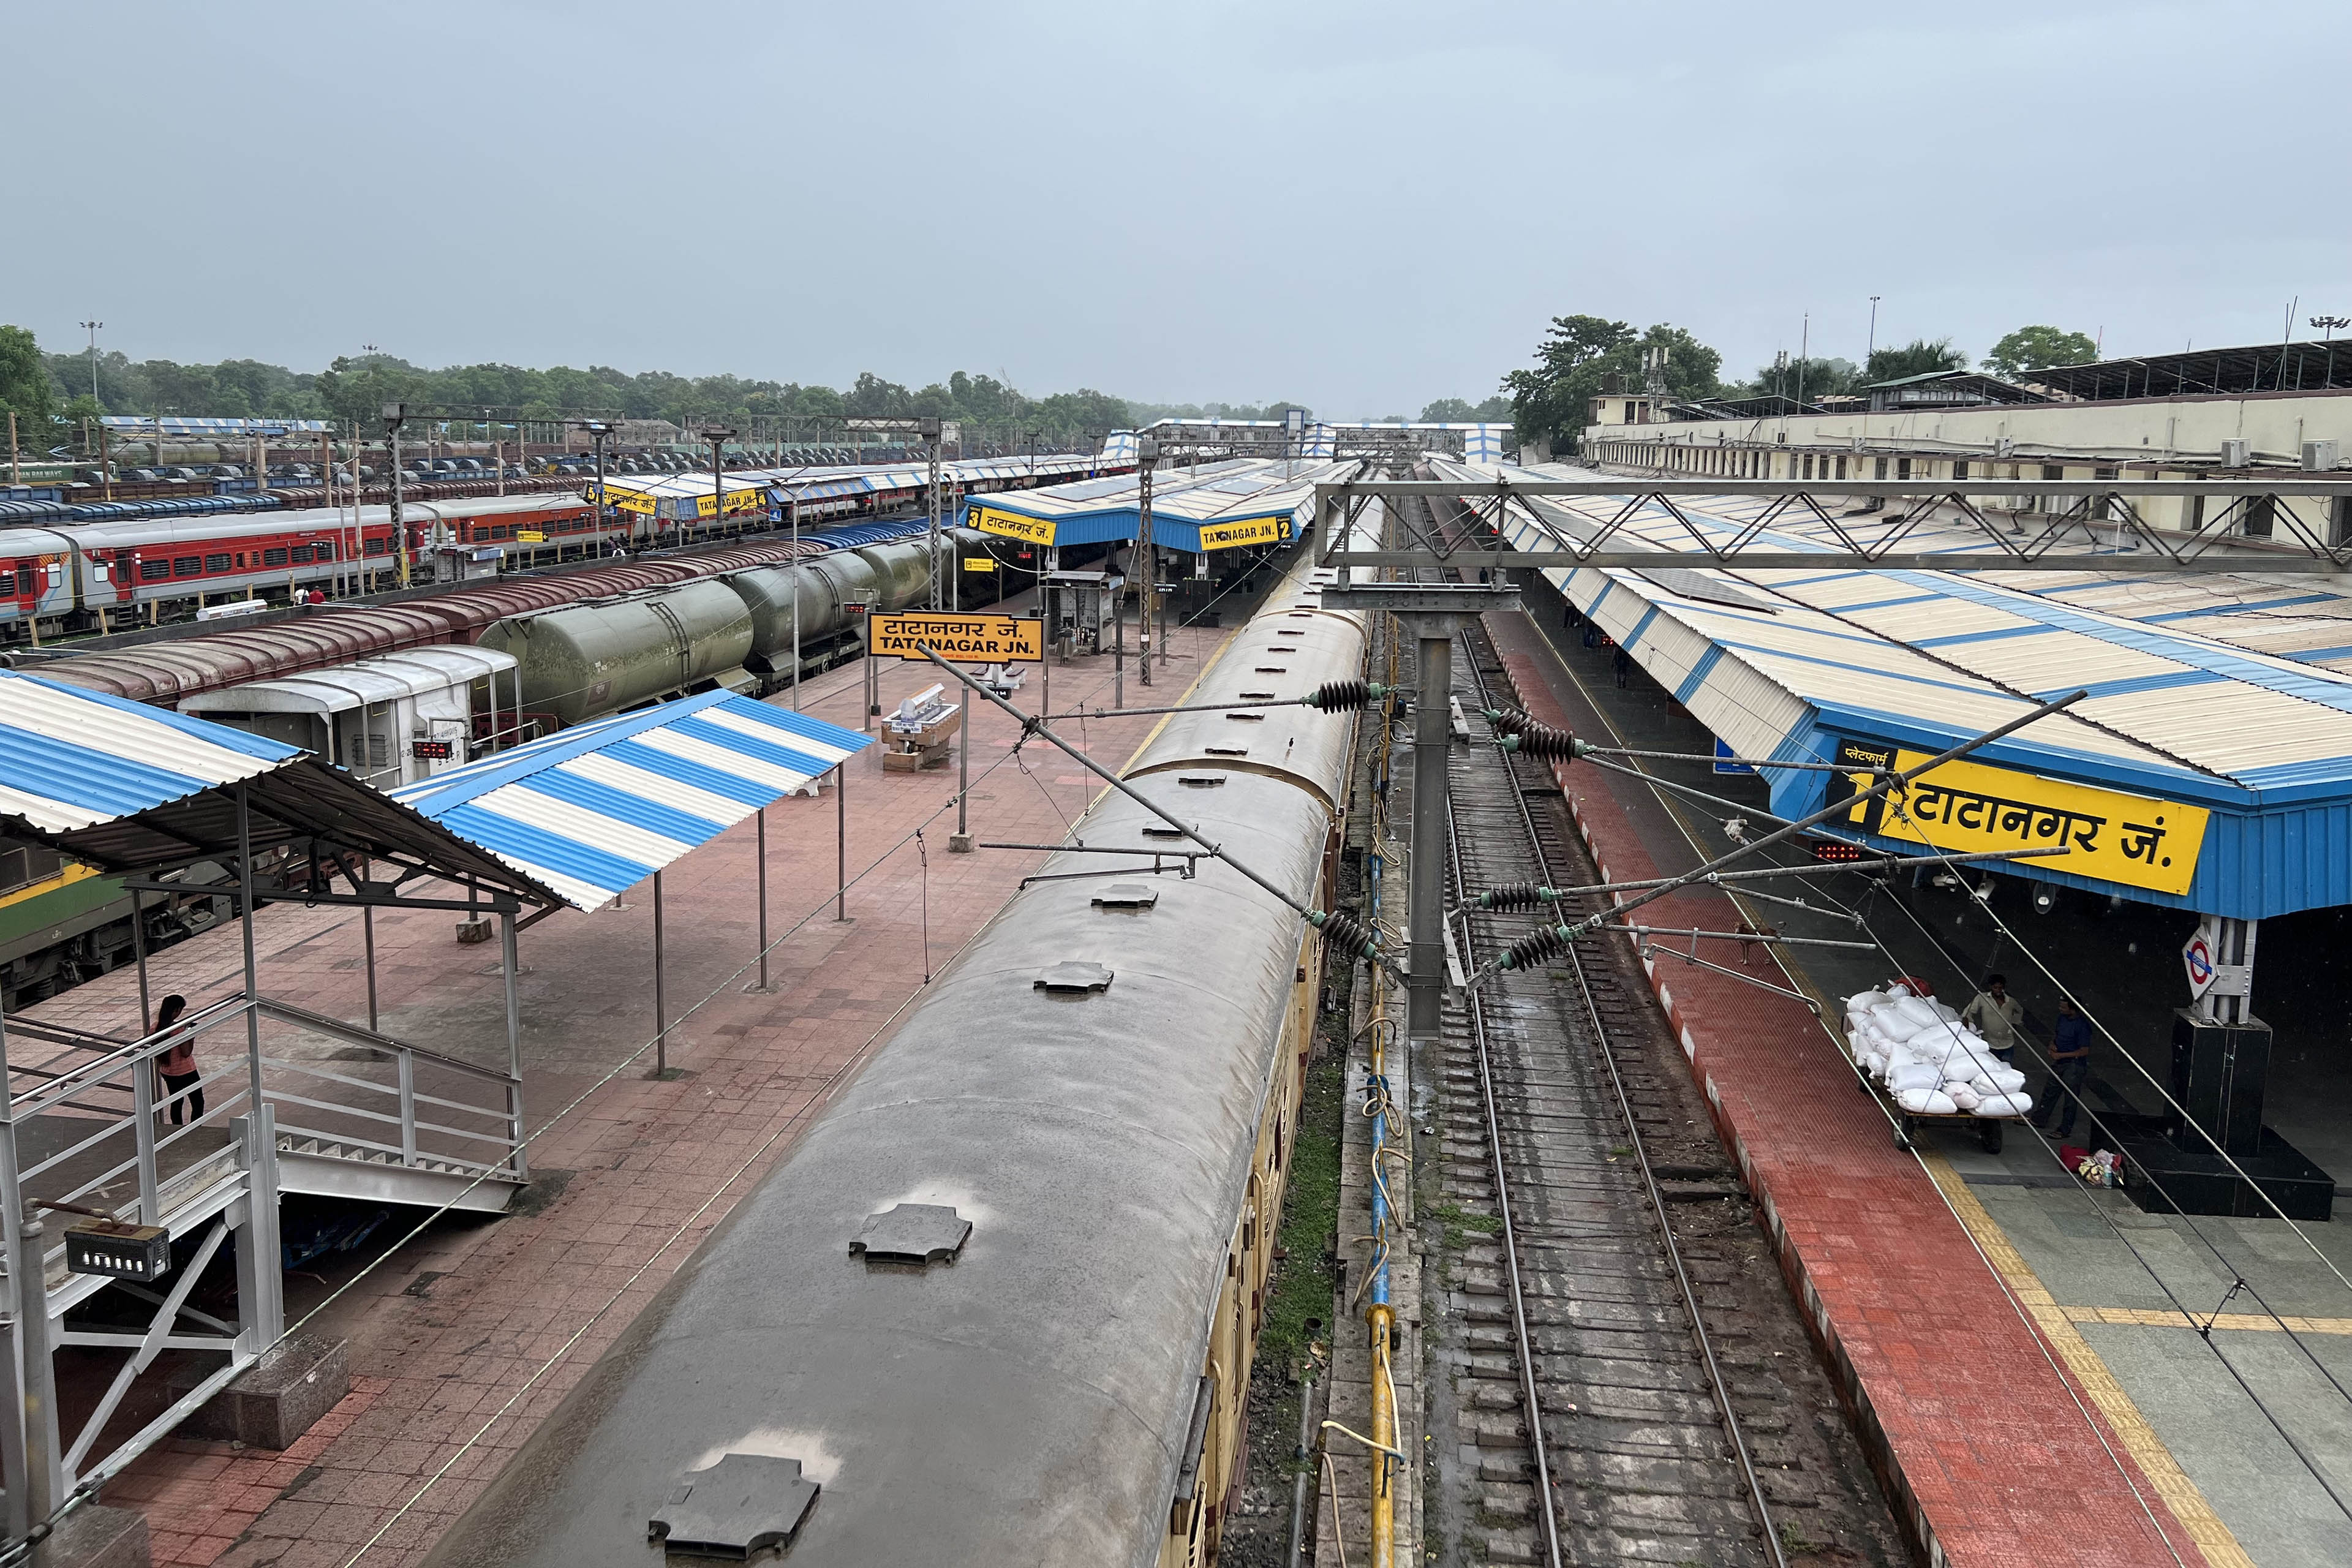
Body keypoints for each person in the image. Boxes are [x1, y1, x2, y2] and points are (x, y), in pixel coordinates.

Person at [2033, 998, 2094, 1139]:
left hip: (2074, 1065)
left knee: (2070, 1099)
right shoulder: (2062, 1018)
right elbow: (2057, 1034)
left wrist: (2061, 1055)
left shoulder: (2082, 1026)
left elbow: (2084, 1051)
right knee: (2050, 1091)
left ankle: (2065, 1129)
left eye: (2064, 1007)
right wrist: (2052, 1044)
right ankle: (2039, 1119)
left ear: (2072, 1009)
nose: (2061, 1009)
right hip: (2059, 1061)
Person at [152, 994, 202, 1127]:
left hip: (168, 1071)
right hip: (186, 1071)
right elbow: (186, 1053)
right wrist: (191, 1035)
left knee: (177, 1101)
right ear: (176, 1010)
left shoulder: (155, 1028)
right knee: (198, 1102)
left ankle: (177, 1129)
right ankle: (195, 1128)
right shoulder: (178, 1030)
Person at [1959, 973, 2025, 1066]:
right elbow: (1968, 1011)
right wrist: (1968, 1023)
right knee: (1990, 1068)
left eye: (2001, 988)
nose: (1998, 991)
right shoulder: (1982, 998)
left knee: (2006, 1069)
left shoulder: (2011, 1002)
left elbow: (2020, 1010)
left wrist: (2015, 1021)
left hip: (2007, 1044)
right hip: (1989, 1043)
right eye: (1995, 988)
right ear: (1991, 987)